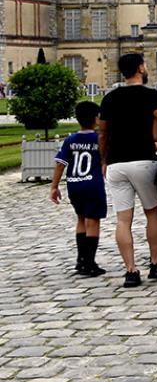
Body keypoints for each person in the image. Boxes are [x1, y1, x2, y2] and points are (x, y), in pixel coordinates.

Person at [100, 52, 157, 288]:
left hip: (116, 164)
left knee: (123, 219)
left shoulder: (110, 98)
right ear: (141, 68)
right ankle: (155, 263)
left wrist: (103, 161)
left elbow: (103, 133)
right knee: (152, 213)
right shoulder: (152, 96)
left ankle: (131, 271)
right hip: (143, 159)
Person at [50, 101, 106, 276]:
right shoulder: (99, 139)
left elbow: (60, 164)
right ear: (96, 118)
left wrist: (54, 186)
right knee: (93, 220)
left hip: (74, 183)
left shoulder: (70, 140)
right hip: (92, 184)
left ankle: (80, 260)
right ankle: (90, 262)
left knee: (81, 219)